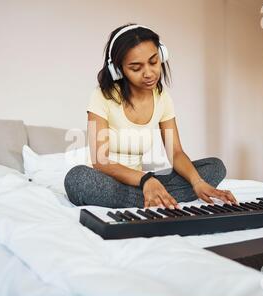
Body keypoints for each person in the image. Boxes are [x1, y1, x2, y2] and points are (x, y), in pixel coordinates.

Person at [64, 23, 237, 209]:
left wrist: (197, 182)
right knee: (77, 179)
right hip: (110, 182)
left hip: (142, 182)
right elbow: (100, 160)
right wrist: (146, 180)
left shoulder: (162, 98)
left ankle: (153, 195)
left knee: (215, 167)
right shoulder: (102, 96)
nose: (148, 73)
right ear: (118, 69)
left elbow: (176, 153)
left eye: (153, 62)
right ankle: (155, 195)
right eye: (136, 68)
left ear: (161, 55)